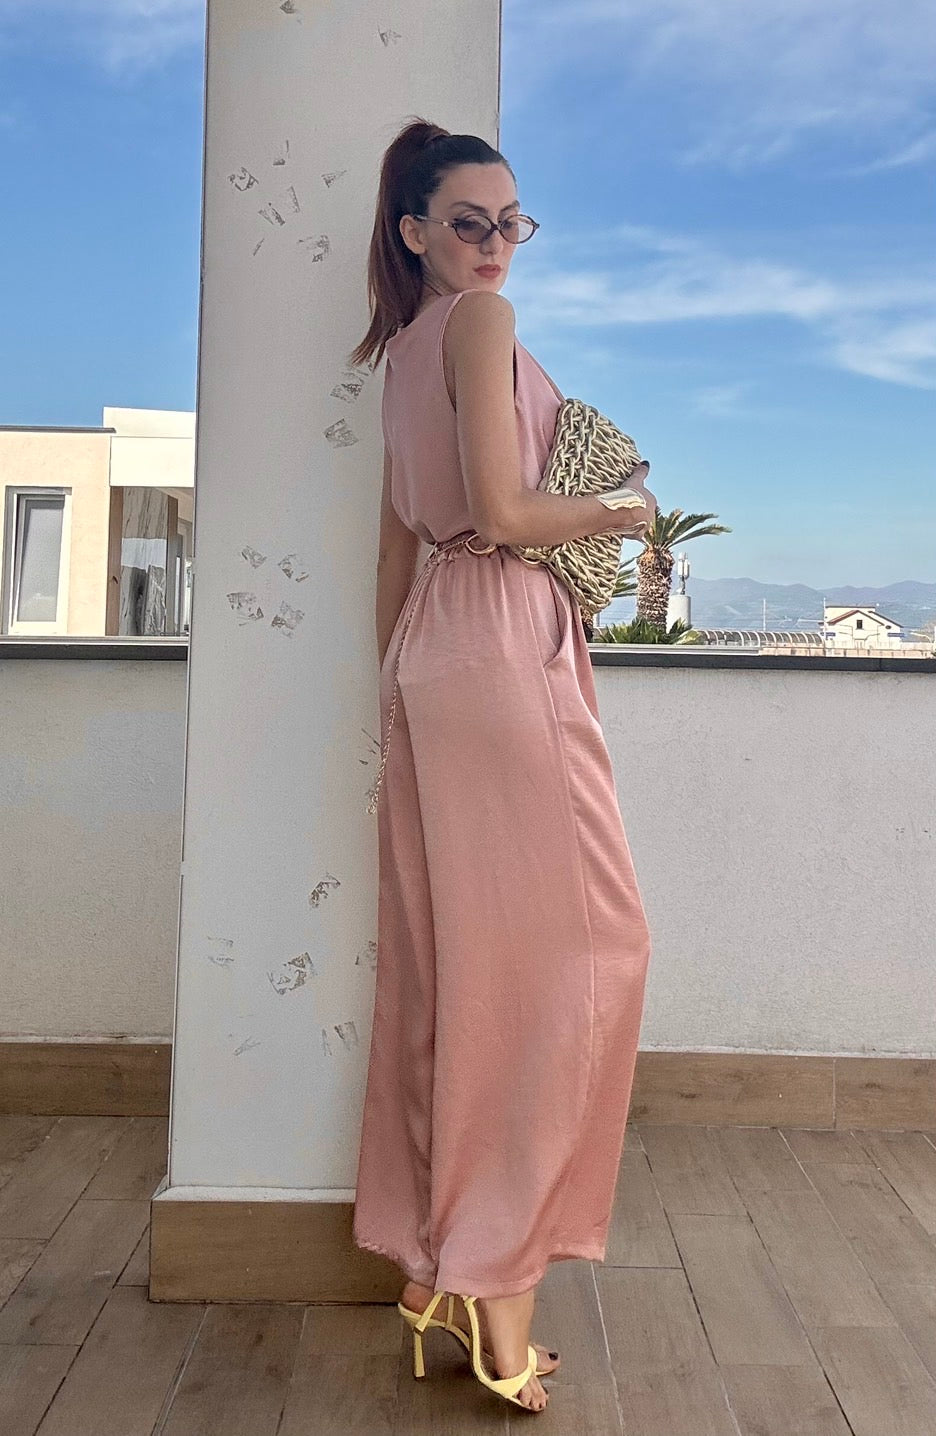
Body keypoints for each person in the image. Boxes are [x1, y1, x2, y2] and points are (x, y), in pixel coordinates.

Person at [349, 117, 655, 1415]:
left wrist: (397, 690)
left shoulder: (402, 350)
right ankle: (500, 1287)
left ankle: (439, 1267)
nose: (494, 245)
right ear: (416, 230)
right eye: (468, 222)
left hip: (439, 647)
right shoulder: (478, 326)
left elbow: (398, 546)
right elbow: (509, 513)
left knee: (459, 966)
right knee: (572, 961)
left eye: (511, 222)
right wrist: (626, 507)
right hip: (498, 636)